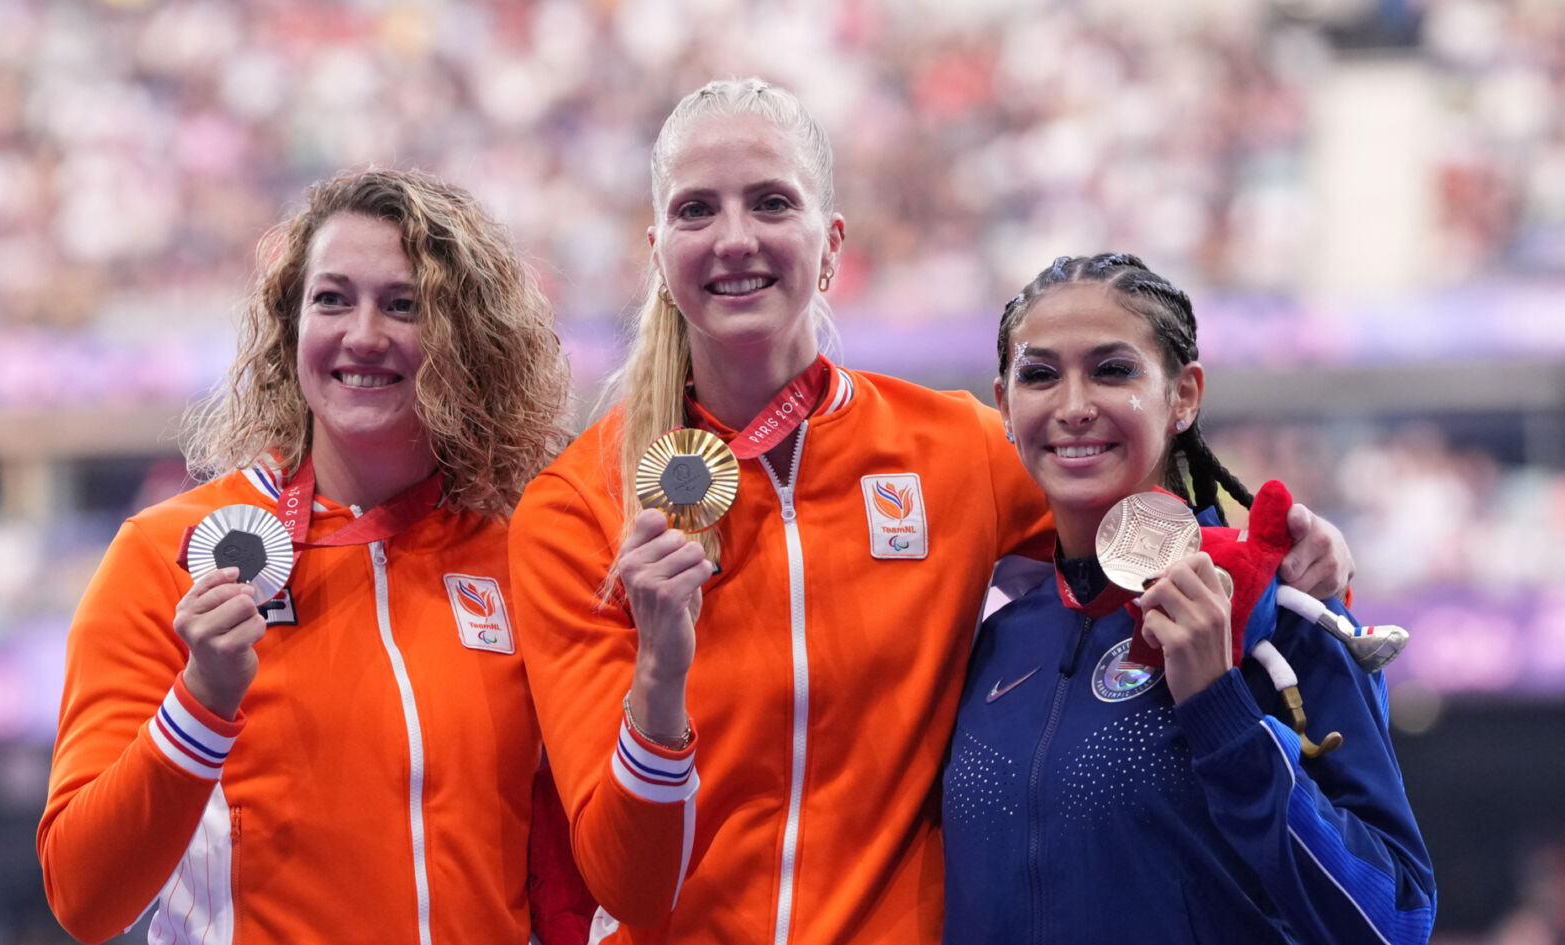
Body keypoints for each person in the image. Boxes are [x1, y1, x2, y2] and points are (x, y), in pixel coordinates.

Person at [507, 79, 1354, 944]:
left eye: (771, 203)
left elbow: (1135, 529)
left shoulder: (955, 448)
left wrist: (1277, 547)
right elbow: (629, 883)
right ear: (657, 249)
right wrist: (660, 673)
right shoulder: (580, 508)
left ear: (831, 244)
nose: (735, 239)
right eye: (697, 210)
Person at [37, 167, 591, 944]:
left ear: (466, 339)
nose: (363, 334)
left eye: (404, 304)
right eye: (332, 298)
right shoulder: (168, 554)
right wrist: (201, 698)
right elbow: (82, 894)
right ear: (291, 323)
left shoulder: (518, 556)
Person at [942, 253, 1436, 943]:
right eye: (1040, 374)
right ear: (1004, 404)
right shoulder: (991, 640)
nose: (1075, 405)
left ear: (1184, 395)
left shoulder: (1280, 615)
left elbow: (1397, 920)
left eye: (1113, 370)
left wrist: (1222, 712)